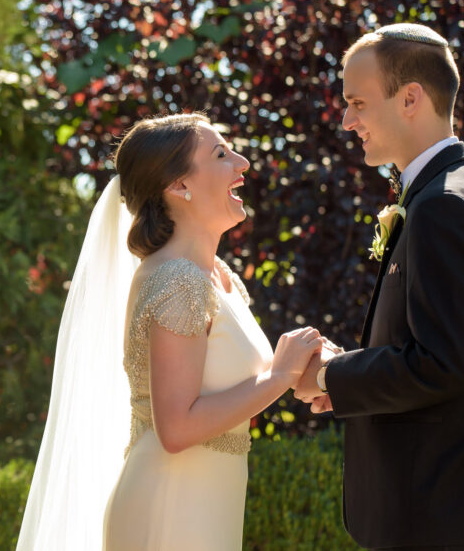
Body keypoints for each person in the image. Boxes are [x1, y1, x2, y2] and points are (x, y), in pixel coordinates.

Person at [17, 113, 324, 550]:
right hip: (170, 507)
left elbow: (238, 385)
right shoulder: (177, 281)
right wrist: (279, 378)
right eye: (222, 154)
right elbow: (176, 429)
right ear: (180, 186)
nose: (243, 163)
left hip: (205, 503)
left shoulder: (218, 276)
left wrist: (316, 367)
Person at [295, 23, 464, 549]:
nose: (346, 119)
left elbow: (442, 364)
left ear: (410, 98)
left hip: (443, 518)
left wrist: (332, 375)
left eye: (357, 102)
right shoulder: (454, 195)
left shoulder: (445, 206)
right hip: (446, 513)